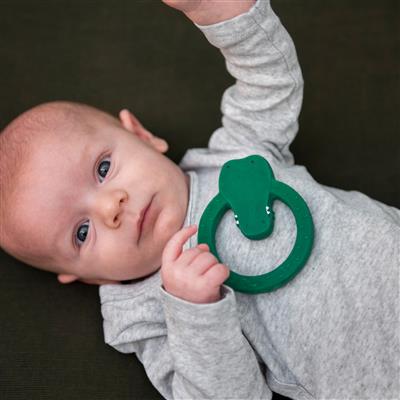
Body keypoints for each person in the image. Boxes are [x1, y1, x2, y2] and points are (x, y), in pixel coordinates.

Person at [0, 0, 398, 398]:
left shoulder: (235, 155)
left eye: (104, 169)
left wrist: (223, 14)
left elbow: (269, 82)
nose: (111, 208)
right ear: (83, 276)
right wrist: (196, 312)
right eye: (82, 232)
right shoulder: (142, 314)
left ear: (140, 135)